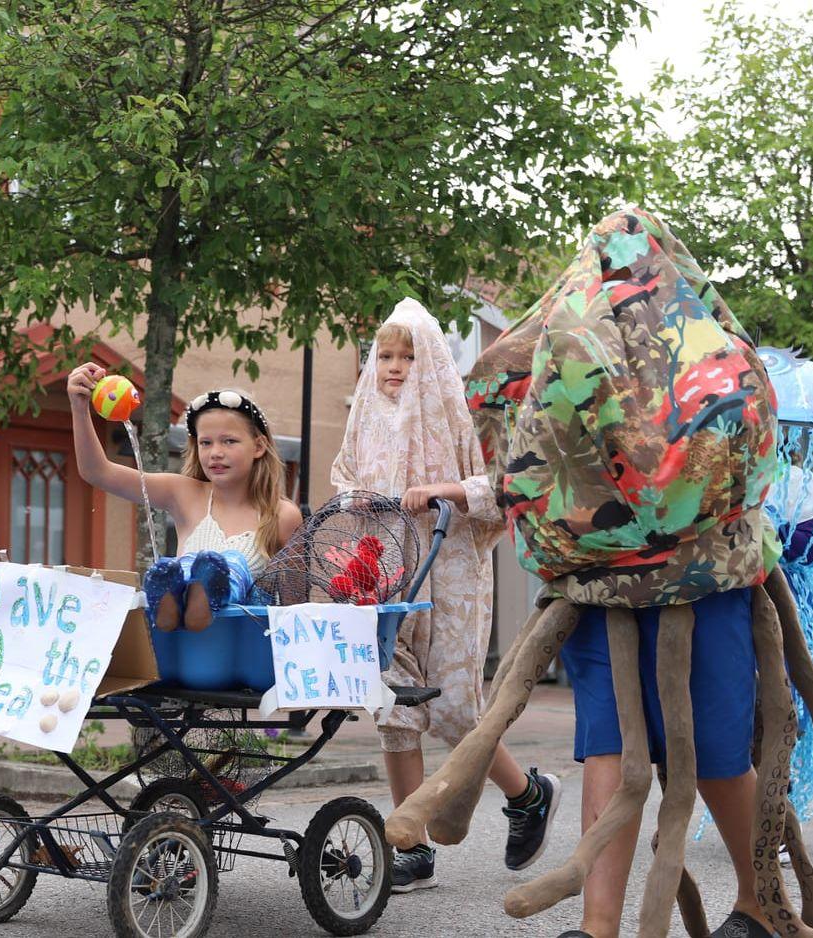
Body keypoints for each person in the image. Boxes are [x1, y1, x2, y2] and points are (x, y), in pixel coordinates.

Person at [466, 207, 780, 938]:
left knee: (705, 754)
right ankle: (604, 924)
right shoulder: (710, 337)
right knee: (619, 748)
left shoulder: (572, 329)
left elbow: (496, 403)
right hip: (665, 583)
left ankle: (763, 902)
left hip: (622, 582)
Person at [332, 298, 560, 892]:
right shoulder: (365, 415)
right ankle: (412, 848)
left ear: (429, 361)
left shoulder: (457, 414)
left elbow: (501, 488)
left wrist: (442, 489)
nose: (395, 367)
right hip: (385, 572)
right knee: (394, 708)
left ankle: (528, 795)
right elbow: (343, 474)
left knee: (458, 710)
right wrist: (354, 498)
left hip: (450, 568)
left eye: (408, 356)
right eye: (385, 355)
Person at [67, 363, 302, 631]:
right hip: (185, 655)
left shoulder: (282, 515)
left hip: (243, 653)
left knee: (228, 564)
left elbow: (296, 607)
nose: (215, 452)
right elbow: (98, 472)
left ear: (259, 446)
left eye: (229, 441)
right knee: (178, 569)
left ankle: (206, 591)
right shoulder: (184, 493)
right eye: (206, 442)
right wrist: (79, 407)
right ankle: (172, 601)